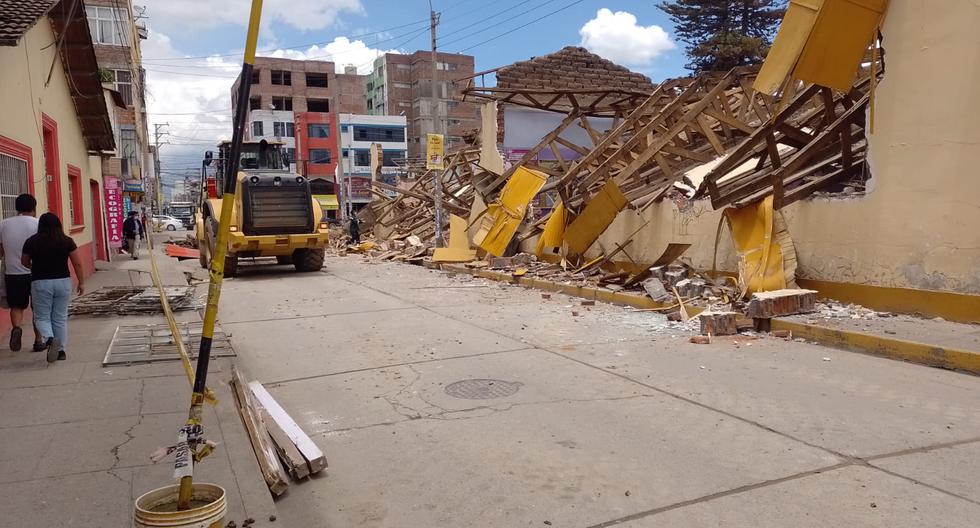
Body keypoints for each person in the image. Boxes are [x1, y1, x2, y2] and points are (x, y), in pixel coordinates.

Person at [21, 213, 85, 362]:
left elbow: (23, 261)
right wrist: (81, 282)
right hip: (62, 282)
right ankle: (61, 351)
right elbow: (77, 264)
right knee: (60, 318)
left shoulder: (32, 241)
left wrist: (32, 266)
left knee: (41, 316)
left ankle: (49, 338)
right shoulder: (66, 241)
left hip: (41, 283)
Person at [0, 194, 42, 352]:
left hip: (12, 273)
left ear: (17, 208)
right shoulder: (38, 224)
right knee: (38, 307)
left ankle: (16, 328)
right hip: (36, 272)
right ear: (34, 207)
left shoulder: (3, 224)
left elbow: (0, 251)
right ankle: (39, 340)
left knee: (16, 306)